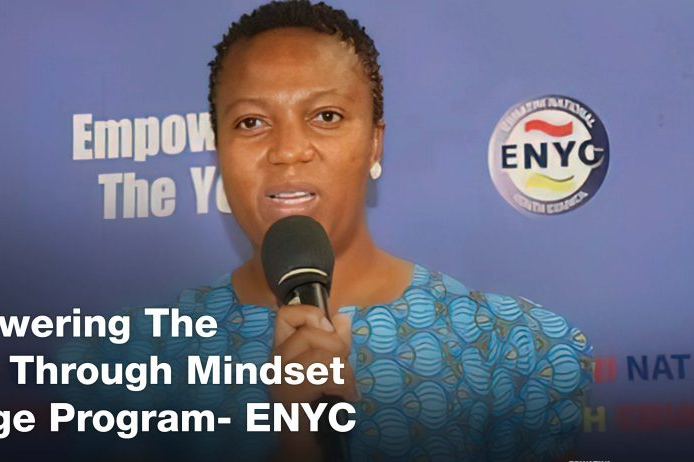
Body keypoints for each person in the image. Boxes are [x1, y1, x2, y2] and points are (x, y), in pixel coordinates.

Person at [68, 1, 594, 460]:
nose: (288, 150)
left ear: (374, 144)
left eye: (325, 116)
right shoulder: (135, 360)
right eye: (251, 122)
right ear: (218, 150)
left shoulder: (506, 349)